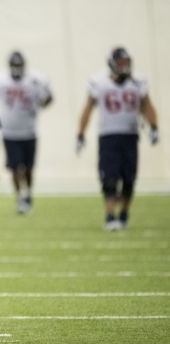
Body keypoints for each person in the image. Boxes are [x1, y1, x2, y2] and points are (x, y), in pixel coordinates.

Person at [77, 47, 158, 231]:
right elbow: (87, 109)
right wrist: (80, 134)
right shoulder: (98, 82)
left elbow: (147, 106)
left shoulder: (138, 82)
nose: (124, 66)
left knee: (129, 179)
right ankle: (110, 215)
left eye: (126, 62)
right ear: (112, 63)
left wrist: (154, 127)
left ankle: (124, 213)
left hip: (130, 135)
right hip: (108, 136)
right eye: (120, 63)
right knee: (109, 178)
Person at [0, 51, 52, 213]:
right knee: (15, 167)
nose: (17, 69)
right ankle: (20, 197)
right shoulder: (0, 80)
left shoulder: (35, 80)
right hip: (9, 131)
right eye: (14, 66)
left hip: (29, 131)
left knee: (29, 167)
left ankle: (28, 193)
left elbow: (49, 97)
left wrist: (41, 104)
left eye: (19, 66)